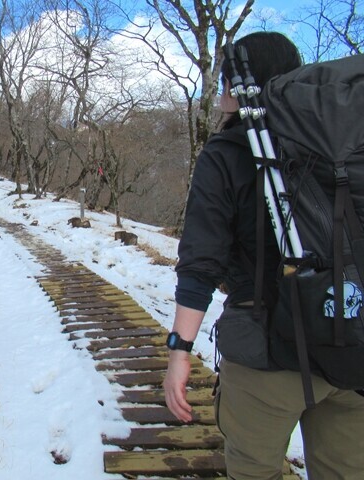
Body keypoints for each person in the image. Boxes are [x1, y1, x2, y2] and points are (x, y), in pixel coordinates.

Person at [163, 31, 364, 480]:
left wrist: (179, 353)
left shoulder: (226, 153)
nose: (220, 91)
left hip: (265, 356)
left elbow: (200, 264)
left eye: (225, 81)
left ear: (242, 84)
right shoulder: (347, 148)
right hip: (350, 342)